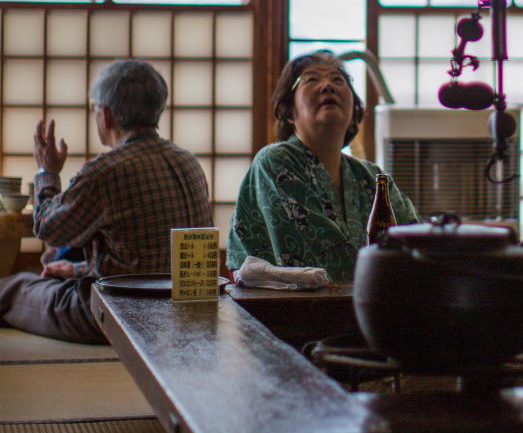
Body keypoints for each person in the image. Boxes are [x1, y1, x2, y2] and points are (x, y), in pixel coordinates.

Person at [0, 59, 211, 344]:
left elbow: (48, 229)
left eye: (94, 108)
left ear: (107, 114)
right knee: (61, 268)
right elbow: (146, 261)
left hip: (117, 315)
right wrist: (77, 270)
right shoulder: (188, 161)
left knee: (12, 287)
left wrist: (46, 172)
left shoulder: (106, 171)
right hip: (182, 313)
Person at [227, 50, 417, 281]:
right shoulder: (275, 161)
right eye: (312, 79)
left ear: (354, 110)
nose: (328, 86)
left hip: (373, 305)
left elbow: (416, 240)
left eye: (339, 80)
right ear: (289, 110)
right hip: (284, 310)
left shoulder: (370, 175)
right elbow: (316, 259)